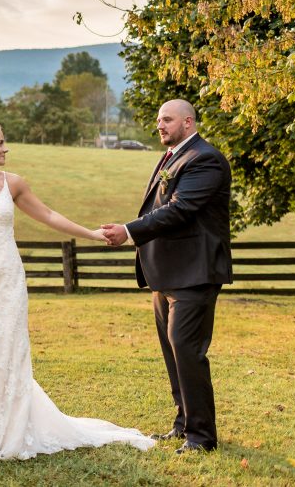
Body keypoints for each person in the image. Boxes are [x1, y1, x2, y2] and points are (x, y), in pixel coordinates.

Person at [0, 122, 155, 460]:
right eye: (0, 143)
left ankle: (13, 427)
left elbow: (47, 214)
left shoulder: (12, 184)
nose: (6, 149)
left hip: (8, 280)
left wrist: (91, 234)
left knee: (9, 348)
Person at [101, 99, 232, 454]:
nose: (160, 125)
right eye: (159, 120)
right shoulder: (174, 155)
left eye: (167, 120)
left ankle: (202, 438)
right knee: (174, 353)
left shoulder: (205, 159)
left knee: (188, 352)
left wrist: (129, 232)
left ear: (188, 122)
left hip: (194, 272)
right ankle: (183, 425)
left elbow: (181, 210)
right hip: (168, 273)